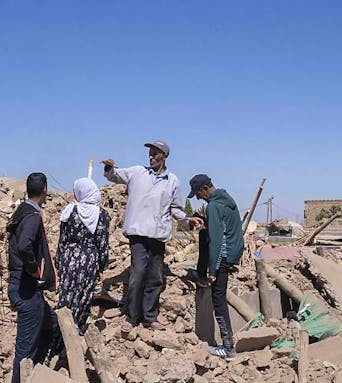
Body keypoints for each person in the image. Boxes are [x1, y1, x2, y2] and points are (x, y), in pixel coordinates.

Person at [102, 140, 202, 332]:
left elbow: (176, 208)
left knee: (155, 277)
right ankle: (132, 317)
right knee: (138, 273)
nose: (151, 156)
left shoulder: (172, 181)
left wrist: (188, 220)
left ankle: (149, 317)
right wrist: (109, 167)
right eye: (150, 153)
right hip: (138, 233)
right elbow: (115, 175)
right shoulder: (138, 172)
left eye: (156, 153)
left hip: (158, 234)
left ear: (164, 156)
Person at [6, 172, 59, 383]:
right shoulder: (32, 217)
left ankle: (35, 374)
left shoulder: (22, 211)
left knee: (51, 324)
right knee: (24, 351)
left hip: (24, 289)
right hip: (26, 291)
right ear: (45, 190)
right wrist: (34, 270)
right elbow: (24, 244)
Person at [188, 174, 245, 359]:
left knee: (218, 298)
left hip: (224, 255)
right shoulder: (226, 199)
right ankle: (200, 274)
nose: (197, 198)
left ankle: (228, 348)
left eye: (197, 193)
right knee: (205, 234)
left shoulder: (213, 206)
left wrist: (213, 271)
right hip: (234, 252)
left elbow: (218, 241)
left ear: (205, 188)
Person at [56, 177, 111, 335]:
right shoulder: (101, 215)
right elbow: (102, 243)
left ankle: (61, 334)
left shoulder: (70, 211)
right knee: (83, 297)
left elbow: (62, 240)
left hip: (69, 257)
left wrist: (59, 262)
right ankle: (76, 330)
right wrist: (101, 266)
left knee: (66, 295)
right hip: (89, 260)